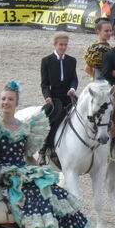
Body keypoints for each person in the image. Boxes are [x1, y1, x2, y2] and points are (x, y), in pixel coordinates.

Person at [0, 81, 92, 228]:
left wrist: (40, 171)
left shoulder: (24, 127)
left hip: (22, 168)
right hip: (6, 170)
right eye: (3, 99)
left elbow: (28, 156)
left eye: (10, 99)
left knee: (51, 189)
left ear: (16, 103)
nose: (6, 102)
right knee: (29, 190)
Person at [39, 32, 78, 163]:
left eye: (65, 45)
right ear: (55, 45)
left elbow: (74, 79)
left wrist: (72, 89)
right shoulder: (46, 61)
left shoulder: (72, 61)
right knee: (52, 118)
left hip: (68, 95)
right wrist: (47, 97)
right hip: (55, 96)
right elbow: (44, 84)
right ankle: (44, 148)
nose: (63, 47)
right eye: (61, 45)